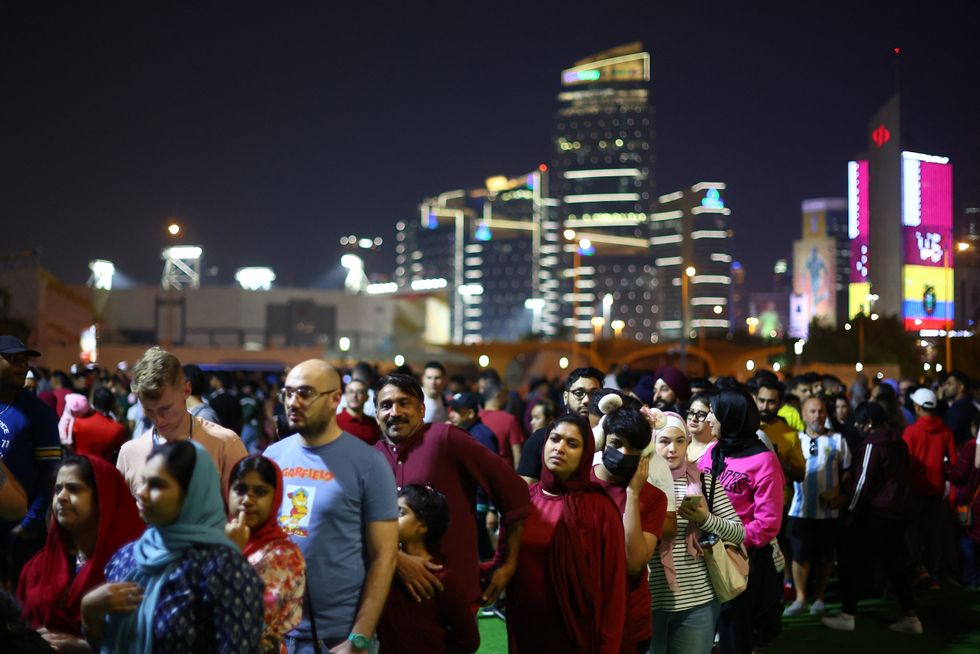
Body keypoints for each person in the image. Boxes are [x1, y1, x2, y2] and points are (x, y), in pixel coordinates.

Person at [373, 373, 531, 624]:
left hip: (451, 598)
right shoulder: (372, 459)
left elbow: (515, 492)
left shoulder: (447, 439)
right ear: (376, 413)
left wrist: (506, 563)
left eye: (404, 403)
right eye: (386, 405)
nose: (395, 411)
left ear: (422, 409)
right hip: (391, 601)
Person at [265, 360, 398, 653]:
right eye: (288, 393)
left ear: (334, 399)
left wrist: (359, 636)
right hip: (275, 633)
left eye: (304, 393)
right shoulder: (272, 457)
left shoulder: (369, 464)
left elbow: (384, 556)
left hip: (338, 637)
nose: (293, 402)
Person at [82, 440, 264, 653]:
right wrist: (89, 612)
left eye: (157, 485)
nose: (141, 493)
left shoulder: (223, 569)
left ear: (192, 494)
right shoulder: (128, 557)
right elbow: (107, 643)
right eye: (143, 482)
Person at [506, 414, 627, 653]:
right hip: (527, 628)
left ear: (585, 455)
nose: (560, 448)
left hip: (577, 636)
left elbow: (614, 587)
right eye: (555, 439)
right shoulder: (525, 501)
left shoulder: (599, 509)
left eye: (572, 444)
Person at [17, 455, 143, 648]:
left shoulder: (132, 566)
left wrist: (83, 648)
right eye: (57, 489)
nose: (61, 497)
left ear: (102, 497)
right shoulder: (36, 568)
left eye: (73, 489)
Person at [822, 402, 921, 634]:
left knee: (850, 562)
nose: (857, 426)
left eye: (860, 422)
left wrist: (850, 511)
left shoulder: (873, 445)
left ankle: (847, 614)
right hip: (898, 512)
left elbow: (862, 483)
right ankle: (911, 617)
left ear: (869, 423)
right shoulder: (898, 441)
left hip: (876, 514)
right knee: (896, 565)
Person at [648, 415, 744, 654]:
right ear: (651, 442)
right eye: (664, 441)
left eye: (680, 441)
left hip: (698, 600)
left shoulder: (704, 481)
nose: (673, 449)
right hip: (649, 601)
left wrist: (705, 519)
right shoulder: (641, 482)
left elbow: (738, 532)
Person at [698, 389, 784, 654]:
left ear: (732, 417)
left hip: (742, 562)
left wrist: (728, 537)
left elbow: (767, 524)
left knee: (734, 637)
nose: (708, 419)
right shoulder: (713, 451)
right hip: (706, 556)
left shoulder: (763, 460)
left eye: (714, 412)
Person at [116, 347, 248, 498]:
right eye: (149, 410)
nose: (158, 420)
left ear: (186, 390)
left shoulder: (225, 445)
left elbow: (240, 511)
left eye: (165, 408)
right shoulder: (129, 454)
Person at [590, 405, 667, 653]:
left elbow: (633, 564)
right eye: (616, 442)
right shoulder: (579, 483)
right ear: (602, 441)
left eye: (633, 447)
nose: (624, 452)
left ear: (644, 452)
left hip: (630, 617)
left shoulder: (652, 497)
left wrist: (633, 495)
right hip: (582, 614)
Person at [376, 485, 480, 654]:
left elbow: (469, 640)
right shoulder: (386, 566)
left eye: (401, 513)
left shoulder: (442, 578)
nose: (390, 517)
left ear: (423, 526)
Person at [226, 455, 305, 653]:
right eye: (240, 490)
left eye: (260, 492)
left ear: (276, 497)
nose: (247, 500)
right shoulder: (210, 539)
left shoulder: (284, 556)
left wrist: (231, 554)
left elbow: (248, 618)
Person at [0, 336, 62, 589]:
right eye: (13, 359)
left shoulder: (39, 413)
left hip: (16, 534)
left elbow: (50, 474)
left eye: (24, 360)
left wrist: (29, 524)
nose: (21, 366)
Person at [784, 396, 852, 616]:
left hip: (828, 511)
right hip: (799, 509)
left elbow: (848, 470)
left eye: (821, 411)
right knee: (798, 555)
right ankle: (801, 598)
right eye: (812, 411)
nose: (817, 416)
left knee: (824, 557)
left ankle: (819, 599)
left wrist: (842, 496)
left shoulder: (838, 439)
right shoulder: (795, 439)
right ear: (803, 415)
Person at [902, 387, 958, 587]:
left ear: (917, 407)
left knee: (913, 532)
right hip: (937, 491)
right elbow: (953, 462)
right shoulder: (945, 431)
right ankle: (934, 575)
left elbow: (905, 464)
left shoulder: (911, 432)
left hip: (915, 491)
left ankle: (920, 569)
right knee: (934, 535)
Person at [517, 367, 604, 483]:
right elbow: (524, 492)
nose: (586, 400)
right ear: (565, 397)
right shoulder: (540, 438)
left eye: (594, 394)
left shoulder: (609, 442)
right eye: (579, 393)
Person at [446, 392, 499, 560]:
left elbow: (492, 473)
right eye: (451, 410)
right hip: (469, 502)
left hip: (479, 505)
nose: (452, 414)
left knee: (481, 552)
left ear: (470, 414)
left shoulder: (481, 436)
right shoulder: (465, 432)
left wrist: (492, 509)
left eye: (457, 411)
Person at [60, 392, 127, 464]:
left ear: (92, 401)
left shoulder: (75, 422)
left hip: (77, 466)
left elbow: (65, 442)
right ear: (112, 404)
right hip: (103, 469)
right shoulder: (118, 429)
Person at [479, 382, 526, 469]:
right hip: (504, 474)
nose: (508, 398)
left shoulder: (476, 420)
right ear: (498, 395)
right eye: (506, 394)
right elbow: (518, 456)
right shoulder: (510, 419)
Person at [335, 378, 382, 446]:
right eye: (351, 391)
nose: (354, 396)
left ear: (367, 397)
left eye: (359, 392)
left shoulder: (372, 423)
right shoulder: (335, 422)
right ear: (345, 396)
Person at [941, 371, 978, 446]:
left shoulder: (957, 410)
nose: (945, 387)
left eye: (949, 384)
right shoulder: (972, 406)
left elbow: (950, 436)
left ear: (961, 387)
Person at [685, 392, 716, 465]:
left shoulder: (717, 451)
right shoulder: (679, 441)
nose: (693, 419)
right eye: (691, 413)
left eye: (701, 415)